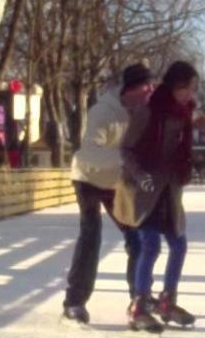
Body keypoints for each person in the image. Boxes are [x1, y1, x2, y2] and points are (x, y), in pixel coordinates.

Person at [62, 63, 154, 324]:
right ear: (131, 88)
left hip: (116, 184)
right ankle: (74, 301)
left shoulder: (143, 112)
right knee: (91, 235)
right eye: (146, 86)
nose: (150, 91)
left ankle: (139, 299)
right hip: (88, 178)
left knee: (137, 238)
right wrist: (124, 159)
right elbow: (89, 153)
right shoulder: (102, 112)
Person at [114, 60, 199, 333]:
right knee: (150, 246)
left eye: (194, 89)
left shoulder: (185, 115)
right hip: (145, 190)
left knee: (179, 244)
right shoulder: (147, 112)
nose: (190, 94)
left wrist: (185, 168)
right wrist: (141, 175)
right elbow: (125, 149)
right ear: (175, 86)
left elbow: (179, 152)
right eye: (187, 88)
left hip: (169, 190)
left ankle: (167, 301)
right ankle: (139, 305)